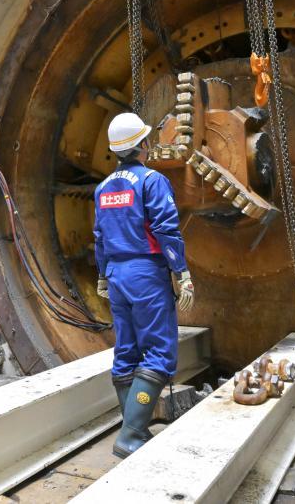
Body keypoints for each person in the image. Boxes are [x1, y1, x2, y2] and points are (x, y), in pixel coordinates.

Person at [93, 112, 195, 459]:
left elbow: (100, 238)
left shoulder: (103, 188)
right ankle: (132, 432)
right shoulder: (152, 180)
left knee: (126, 351)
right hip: (145, 273)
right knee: (160, 353)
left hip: (118, 276)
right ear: (142, 145)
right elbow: (166, 229)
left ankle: (134, 427)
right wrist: (181, 272)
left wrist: (103, 276)